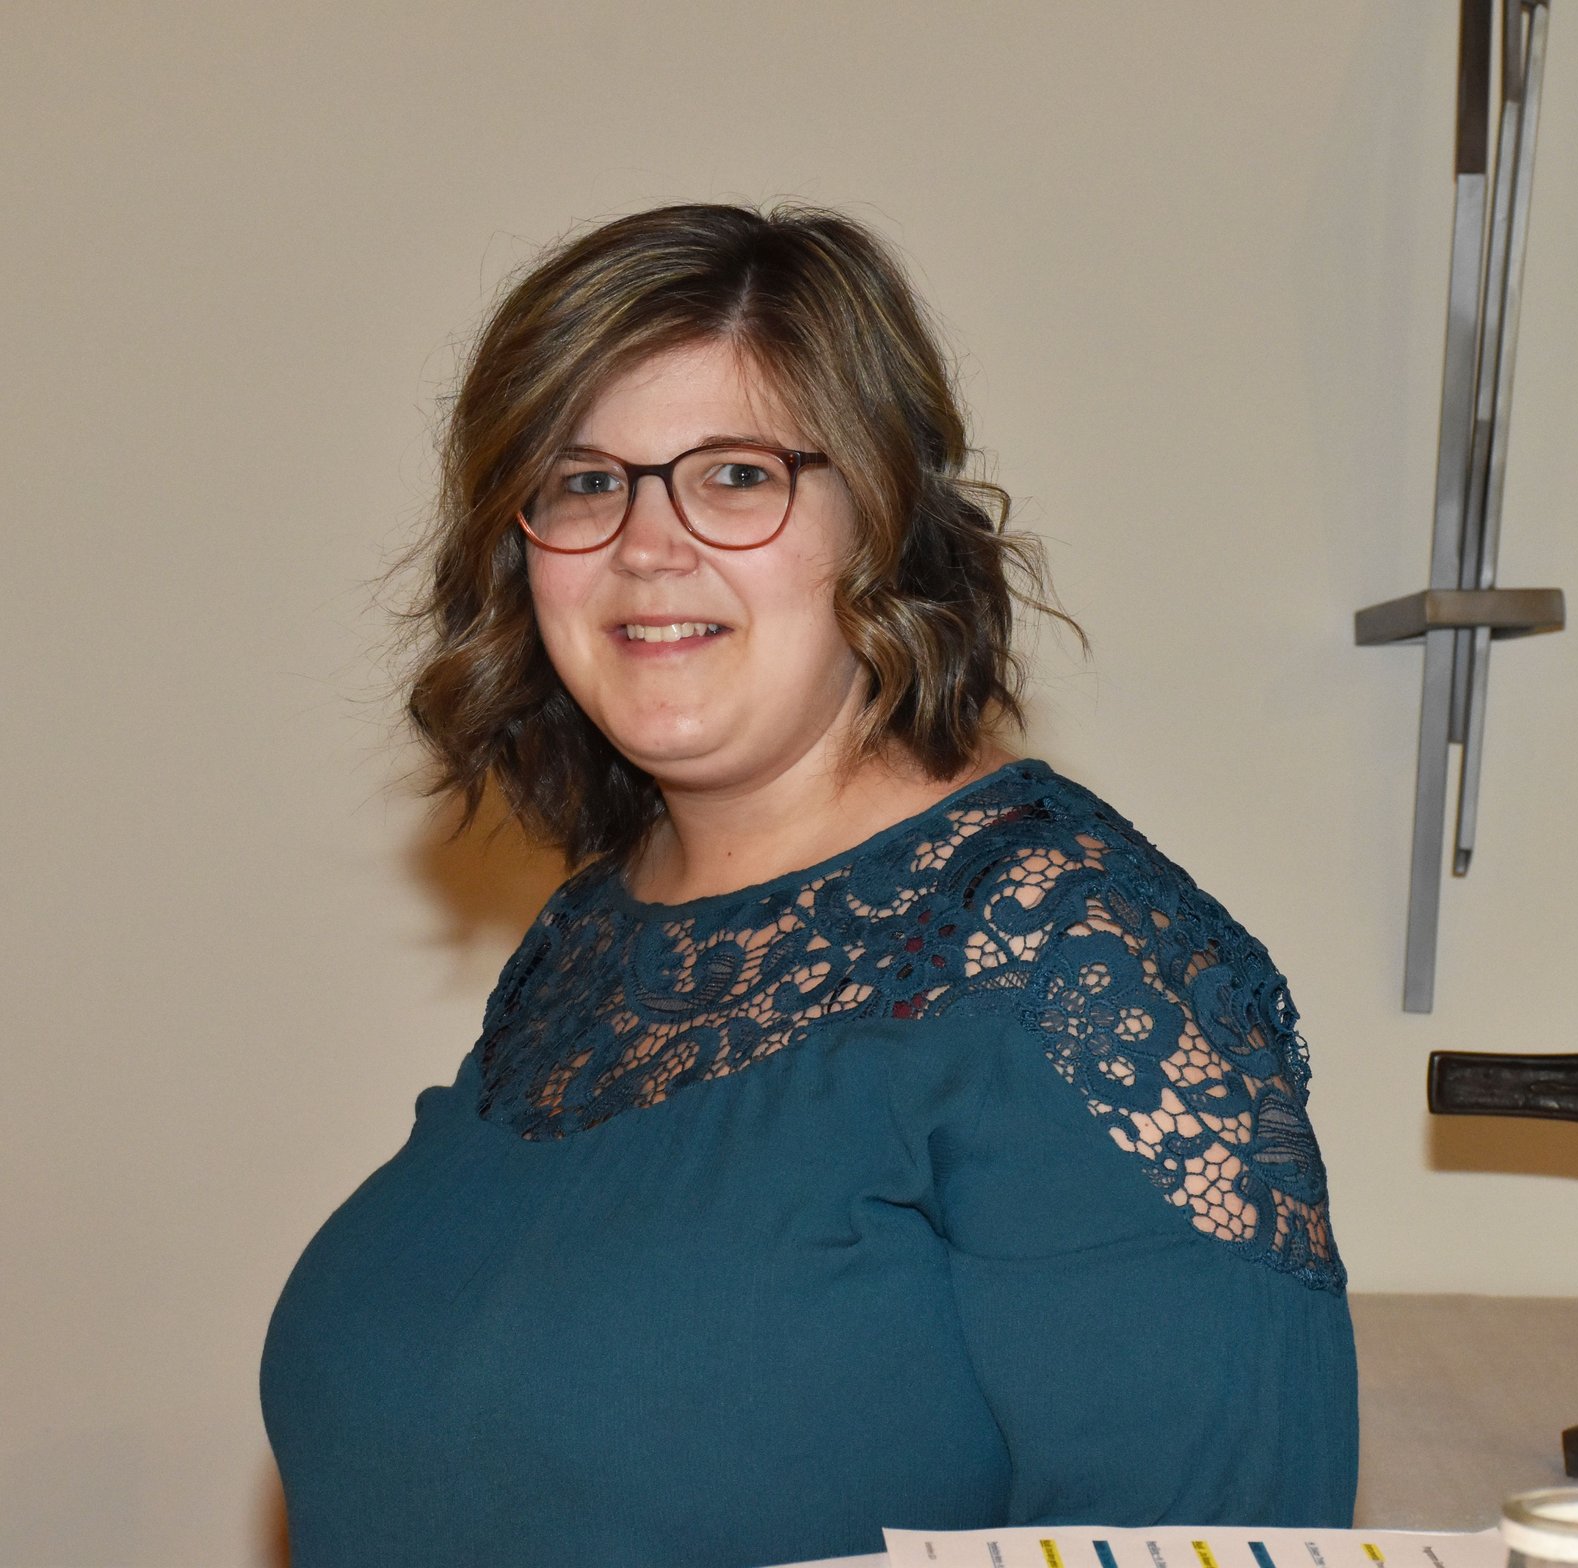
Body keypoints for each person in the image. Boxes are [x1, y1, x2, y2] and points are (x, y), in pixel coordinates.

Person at [260, 203, 1357, 1568]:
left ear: (883, 517)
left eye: (736, 475)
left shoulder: (1073, 956)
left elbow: (1216, 1538)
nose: (645, 545)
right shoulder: (594, 937)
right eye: (583, 482)